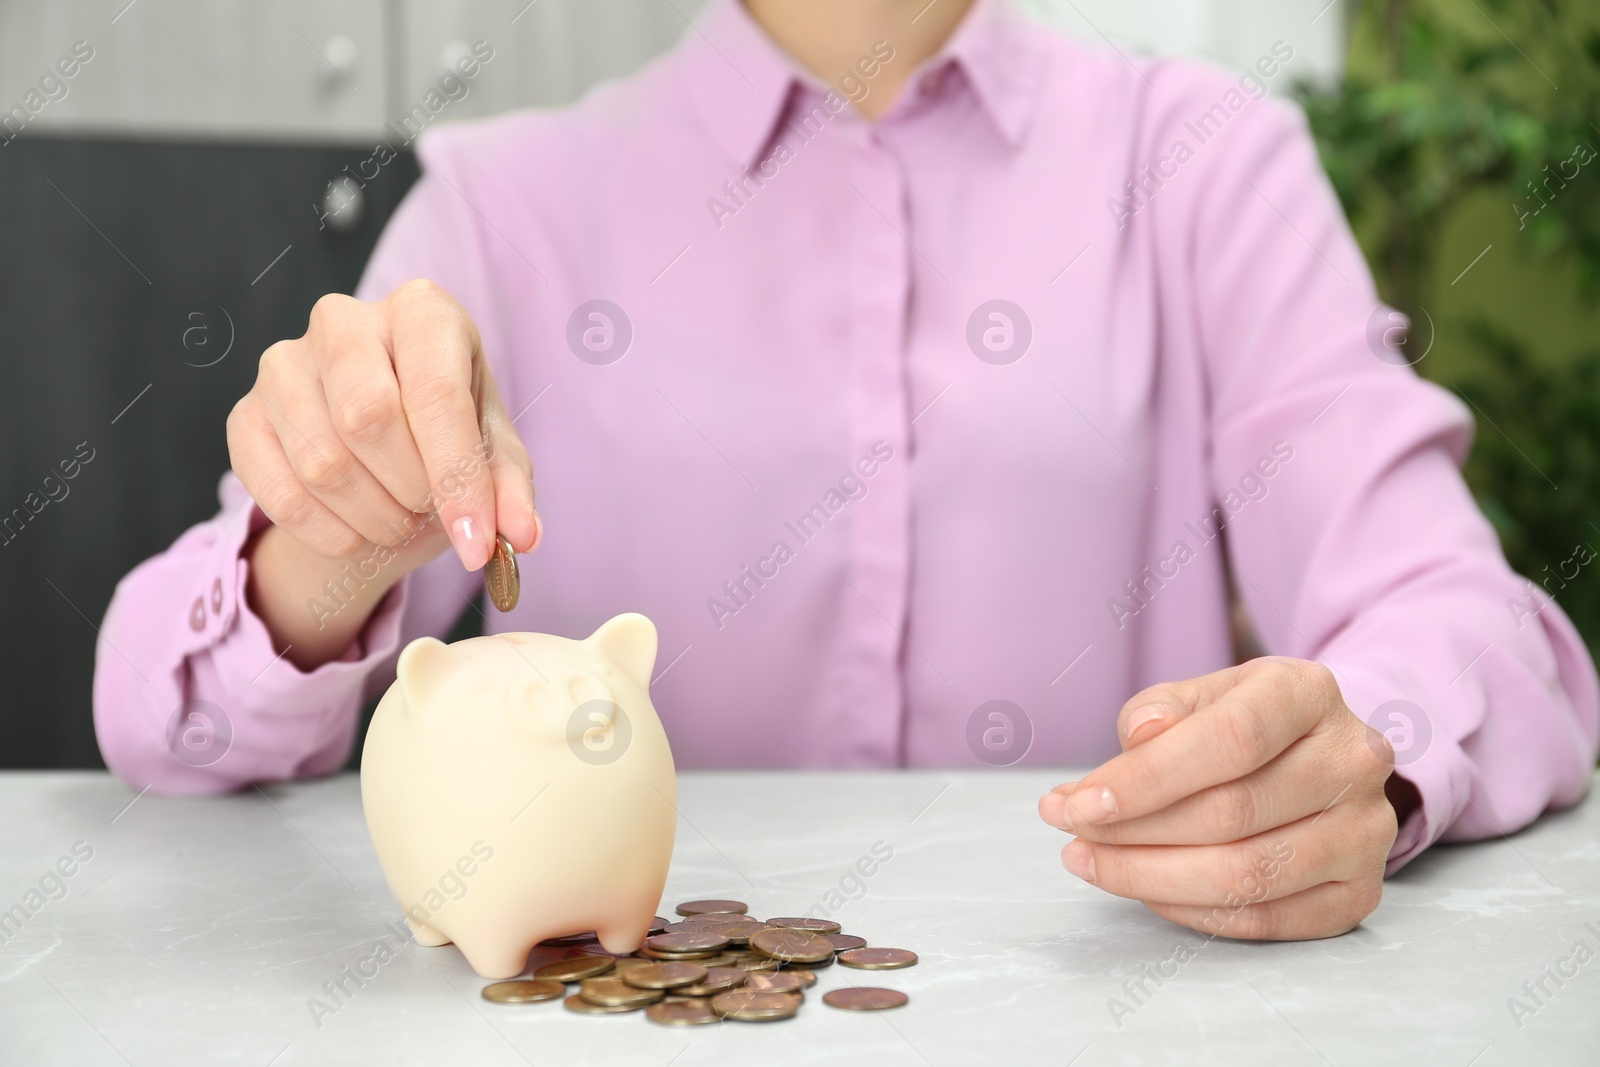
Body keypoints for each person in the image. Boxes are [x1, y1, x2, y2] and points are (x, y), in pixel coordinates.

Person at [93, 0, 1598, 942]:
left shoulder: (1207, 163)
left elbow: (1484, 637)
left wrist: (1361, 766)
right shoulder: (505, 203)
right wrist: (330, 544)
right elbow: (161, 715)